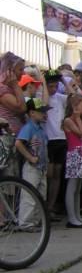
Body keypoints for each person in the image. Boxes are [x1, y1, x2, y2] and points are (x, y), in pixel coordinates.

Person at [15, 98, 50, 230]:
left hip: (41, 167)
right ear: (31, 113)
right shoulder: (28, 128)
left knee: (41, 195)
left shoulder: (41, 128)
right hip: (32, 168)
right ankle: (25, 222)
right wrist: (29, 157)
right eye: (40, 111)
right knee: (29, 195)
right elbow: (18, 143)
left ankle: (36, 221)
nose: (44, 114)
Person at [43, 71, 72, 218]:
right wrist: (43, 82)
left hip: (61, 139)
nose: (53, 89)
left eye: (55, 86)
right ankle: (44, 204)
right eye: (50, 86)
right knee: (49, 174)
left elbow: (74, 97)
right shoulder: (41, 98)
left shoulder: (60, 98)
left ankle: (51, 205)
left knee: (57, 175)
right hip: (49, 139)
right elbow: (45, 103)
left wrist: (64, 81)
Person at [62, 93, 82, 228]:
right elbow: (81, 133)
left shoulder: (81, 119)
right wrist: (77, 118)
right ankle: (71, 217)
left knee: (78, 188)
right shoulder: (68, 120)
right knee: (72, 186)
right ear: (75, 107)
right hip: (75, 154)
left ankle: (77, 215)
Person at [0, 52, 28, 135]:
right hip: (6, 138)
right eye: (20, 70)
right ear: (9, 70)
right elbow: (22, 108)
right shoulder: (2, 89)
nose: (24, 73)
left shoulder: (9, 88)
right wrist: (15, 85)